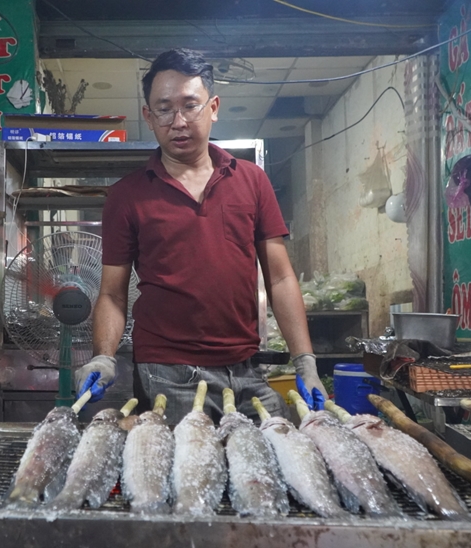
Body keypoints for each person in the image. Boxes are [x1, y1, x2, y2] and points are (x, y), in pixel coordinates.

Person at [74, 48, 327, 425]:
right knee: (189, 463)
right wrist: (103, 356)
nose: (178, 122)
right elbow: (112, 292)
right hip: (167, 373)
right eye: (164, 109)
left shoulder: (251, 180)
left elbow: (280, 277)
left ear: (213, 107)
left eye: (190, 105)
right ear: (148, 116)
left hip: (246, 367)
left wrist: (305, 360)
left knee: (268, 456)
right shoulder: (127, 195)